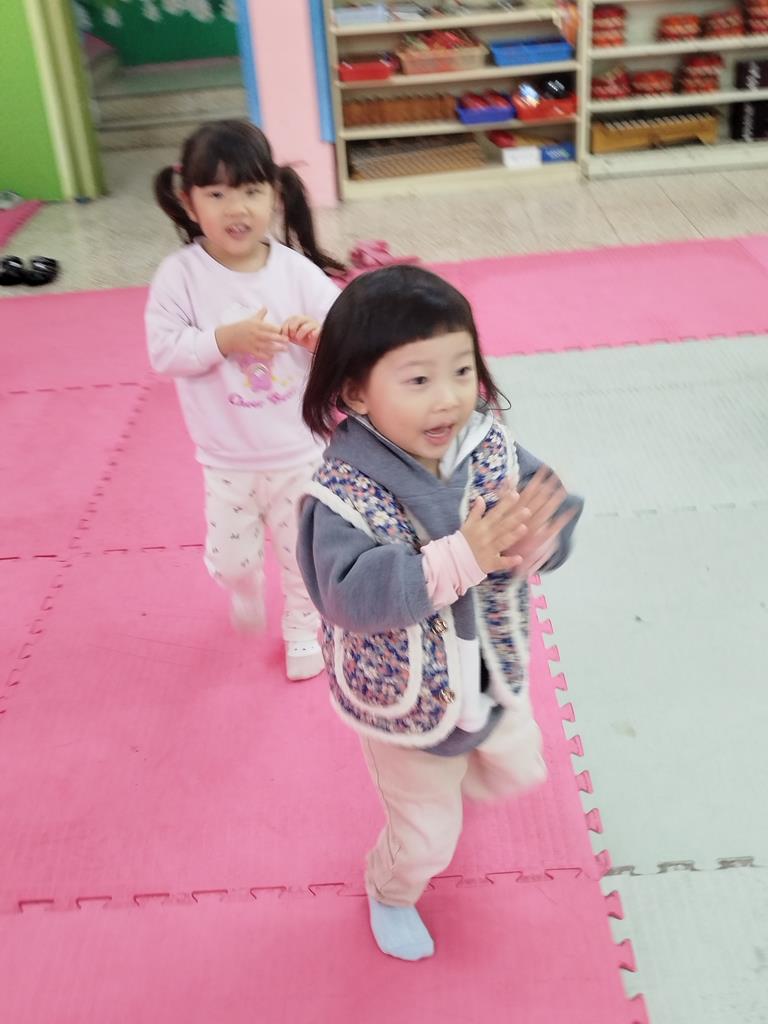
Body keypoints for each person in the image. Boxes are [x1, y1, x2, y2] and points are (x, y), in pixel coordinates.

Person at [297, 265, 583, 959]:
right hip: (407, 700)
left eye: (461, 370)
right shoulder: (342, 492)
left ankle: (459, 775)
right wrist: (462, 557)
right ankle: (390, 889)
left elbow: (548, 500)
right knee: (426, 837)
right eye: (418, 379)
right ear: (356, 391)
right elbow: (347, 595)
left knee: (518, 767)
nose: (449, 397)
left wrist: (542, 539)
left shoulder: (485, 445)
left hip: (485, 669)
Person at [145, 120, 343, 681]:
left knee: (303, 555)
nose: (236, 209)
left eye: (251, 191)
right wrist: (222, 340)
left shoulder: (296, 272)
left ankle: (302, 628)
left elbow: (346, 335)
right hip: (226, 457)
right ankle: (244, 584)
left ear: (274, 196)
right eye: (216, 194)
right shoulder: (181, 276)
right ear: (189, 202)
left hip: (298, 452)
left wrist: (318, 338)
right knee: (233, 559)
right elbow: (164, 352)